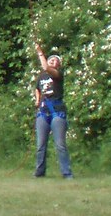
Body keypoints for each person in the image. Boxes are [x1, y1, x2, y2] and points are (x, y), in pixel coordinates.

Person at [33, 43, 73, 179]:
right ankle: (39, 172)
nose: (53, 61)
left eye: (56, 61)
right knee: (40, 145)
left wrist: (39, 52)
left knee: (60, 144)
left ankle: (67, 173)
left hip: (57, 111)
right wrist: (37, 100)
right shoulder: (41, 77)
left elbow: (45, 67)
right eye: (51, 59)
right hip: (43, 112)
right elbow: (37, 88)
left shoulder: (57, 75)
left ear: (58, 65)